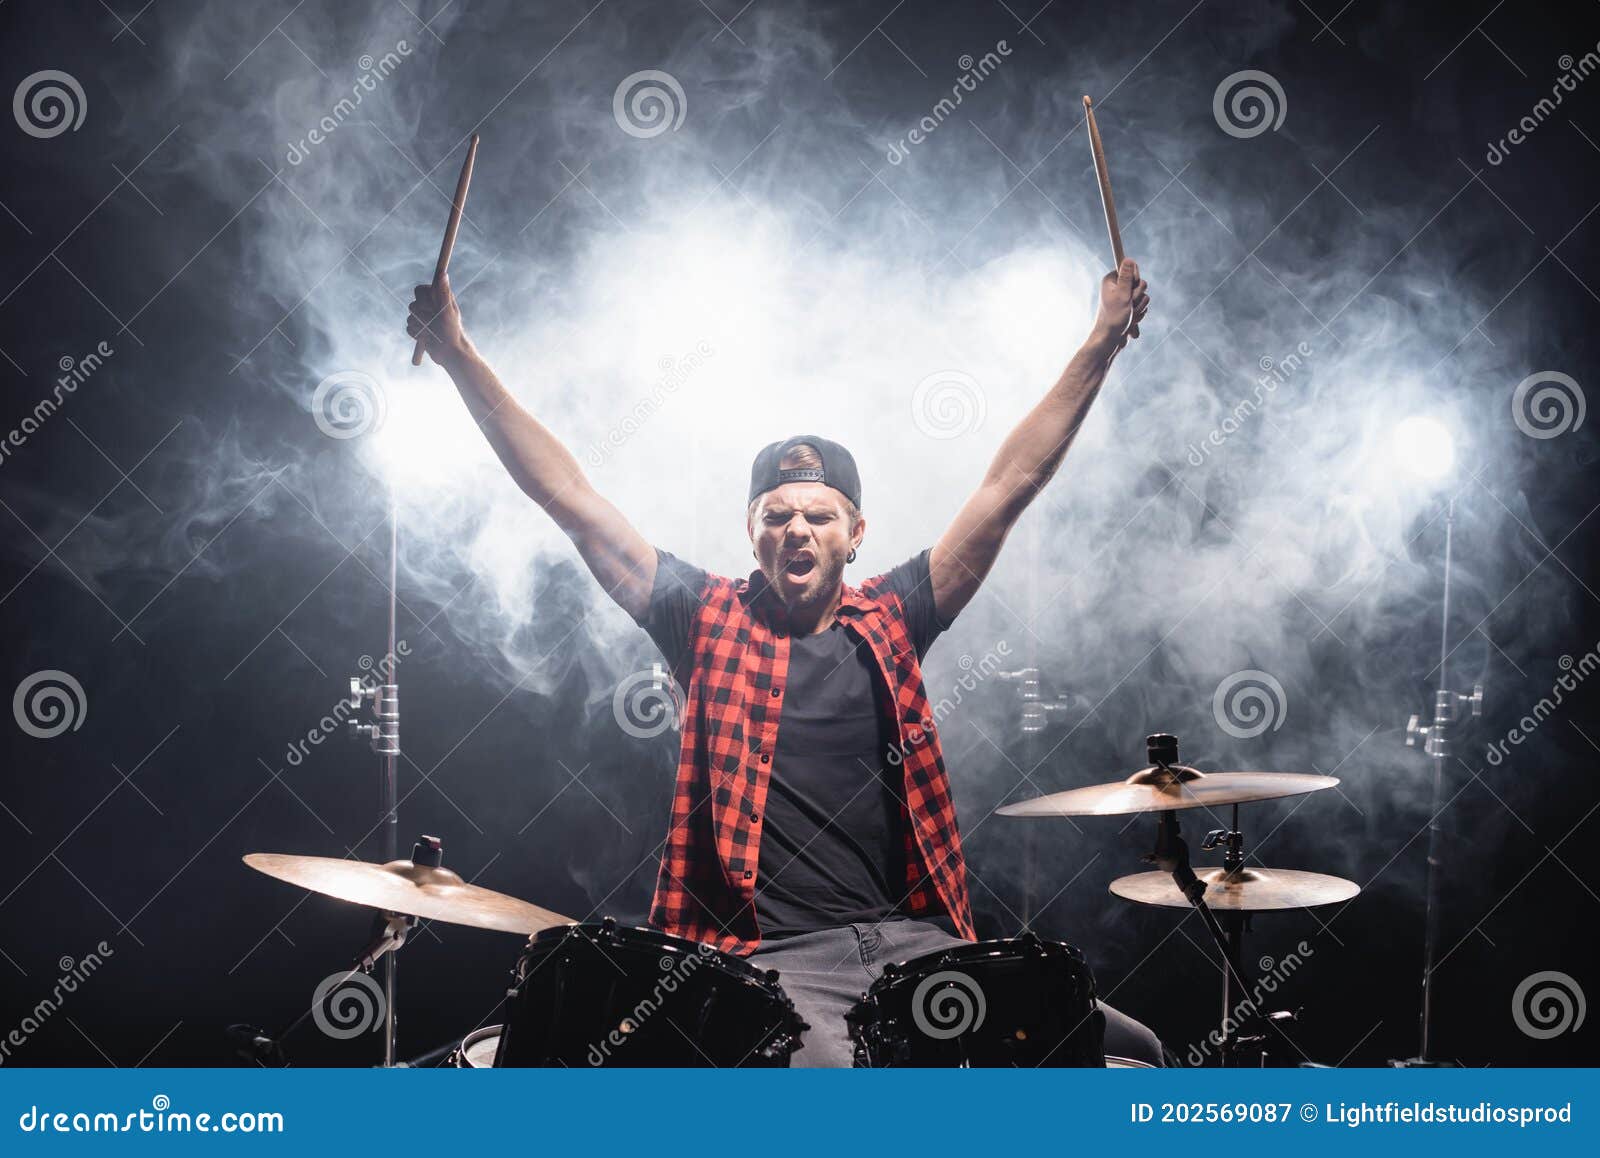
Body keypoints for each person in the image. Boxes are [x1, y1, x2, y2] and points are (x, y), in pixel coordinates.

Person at [407, 257, 1160, 1066]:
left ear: (855, 532)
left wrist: (1102, 340)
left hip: (921, 943)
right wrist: (457, 352)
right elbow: (570, 497)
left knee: (1132, 1052)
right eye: (777, 515)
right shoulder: (700, 616)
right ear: (752, 531)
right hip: (773, 963)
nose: (797, 529)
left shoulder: (898, 615)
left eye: (818, 514)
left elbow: (1011, 480)